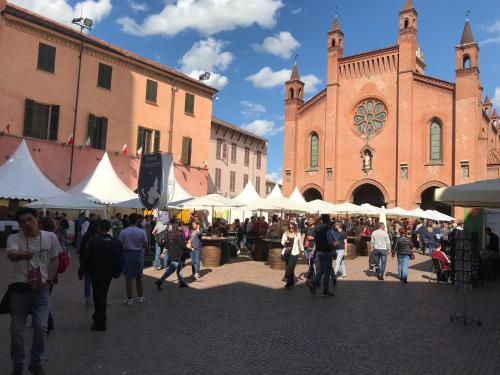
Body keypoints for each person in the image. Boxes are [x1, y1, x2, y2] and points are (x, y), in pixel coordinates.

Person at [6, 207, 61, 375]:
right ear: (19, 224)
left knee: (41, 327)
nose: (27, 224)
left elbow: (55, 259)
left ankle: (35, 362)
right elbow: (11, 254)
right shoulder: (14, 238)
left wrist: (49, 281)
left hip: (41, 289)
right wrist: (22, 255)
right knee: (16, 331)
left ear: (37, 218)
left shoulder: (50, 237)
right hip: (19, 289)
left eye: (30, 219)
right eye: (22, 222)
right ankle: (17, 364)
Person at [78, 220, 123, 331]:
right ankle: (98, 317)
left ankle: (100, 321)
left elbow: (86, 258)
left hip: (96, 272)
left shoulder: (94, 241)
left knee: (99, 296)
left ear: (99, 228)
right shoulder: (115, 241)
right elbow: (121, 258)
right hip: (108, 273)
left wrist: (81, 271)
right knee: (103, 294)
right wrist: (117, 271)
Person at [119, 213, 148, 306]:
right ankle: (140, 297)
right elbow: (145, 244)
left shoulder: (124, 232)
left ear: (128, 220)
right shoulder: (141, 232)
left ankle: (130, 299)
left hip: (127, 254)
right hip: (138, 254)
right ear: (137, 221)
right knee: (139, 277)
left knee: (129, 278)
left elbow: (120, 244)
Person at [155, 224, 190, 290]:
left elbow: (166, 246)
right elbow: (183, 246)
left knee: (179, 269)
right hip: (176, 256)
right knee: (171, 270)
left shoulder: (171, 237)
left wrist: (163, 253)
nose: (180, 231)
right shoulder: (179, 237)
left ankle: (182, 282)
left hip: (172, 256)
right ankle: (160, 281)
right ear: (177, 230)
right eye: (179, 230)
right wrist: (190, 249)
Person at [309, 214, 334, 297]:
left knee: (321, 270)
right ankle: (325, 291)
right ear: (328, 220)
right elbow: (330, 242)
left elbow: (315, 240)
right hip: (326, 252)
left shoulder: (317, 228)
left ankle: (314, 283)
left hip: (319, 251)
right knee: (326, 272)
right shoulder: (328, 229)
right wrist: (334, 245)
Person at [79, 220, 99, 306]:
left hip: (86, 262)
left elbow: (81, 251)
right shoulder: (98, 238)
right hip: (97, 263)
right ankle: (98, 298)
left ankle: (88, 299)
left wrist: (81, 263)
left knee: (87, 281)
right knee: (98, 282)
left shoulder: (85, 237)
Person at [280, 222, 303, 289]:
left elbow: (300, 243)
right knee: (289, 266)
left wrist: (302, 250)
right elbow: (282, 242)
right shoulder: (285, 234)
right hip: (287, 252)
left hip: (295, 252)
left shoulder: (298, 234)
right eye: (290, 227)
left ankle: (288, 281)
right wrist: (285, 242)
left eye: (292, 227)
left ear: (294, 227)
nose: (291, 229)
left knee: (290, 266)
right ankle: (292, 280)